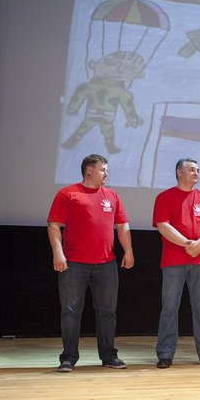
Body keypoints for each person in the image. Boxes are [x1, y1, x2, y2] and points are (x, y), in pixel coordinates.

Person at [47, 154, 134, 372]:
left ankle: (109, 356)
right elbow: (54, 224)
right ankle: (68, 357)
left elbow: (122, 225)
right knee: (70, 311)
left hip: (106, 263)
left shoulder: (111, 195)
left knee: (107, 311)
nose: (106, 174)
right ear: (89, 170)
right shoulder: (68, 193)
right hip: (74, 263)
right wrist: (58, 253)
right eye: (103, 169)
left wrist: (129, 251)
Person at [153, 158, 200, 369]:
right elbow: (163, 226)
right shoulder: (164, 197)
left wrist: (198, 244)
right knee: (170, 307)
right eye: (191, 169)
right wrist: (187, 244)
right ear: (179, 172)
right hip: (174, 261)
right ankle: (165, 354)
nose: (196, 173)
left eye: (197, 170)